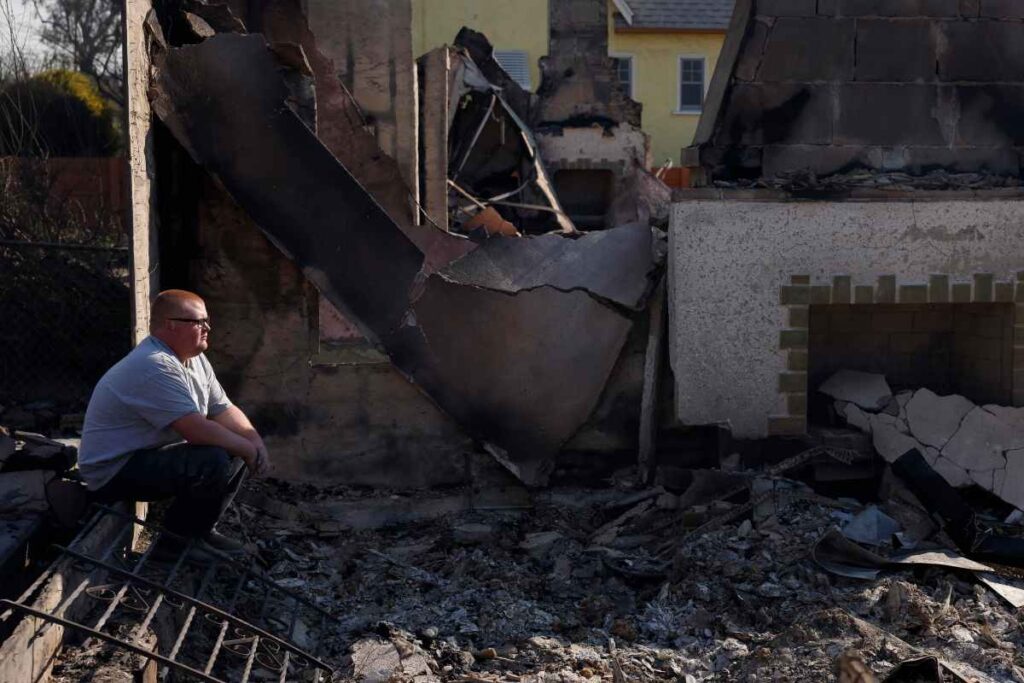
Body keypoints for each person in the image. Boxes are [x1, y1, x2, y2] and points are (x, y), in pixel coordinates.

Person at [79, 289, 270, 557]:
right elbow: (195, 430)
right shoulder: (154, 365)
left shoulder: (194, 359)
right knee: (212, 458)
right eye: (198, 322)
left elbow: (222, 408)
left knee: (233, 447)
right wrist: (246, 448)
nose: (207, 327)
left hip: (145, 457)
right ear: (171, 325)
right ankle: (174, 545)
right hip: (113, 472)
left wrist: (254, 441)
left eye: (207, 321)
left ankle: (201, 531)